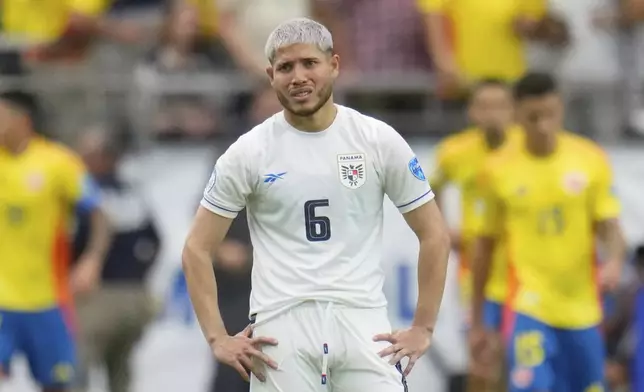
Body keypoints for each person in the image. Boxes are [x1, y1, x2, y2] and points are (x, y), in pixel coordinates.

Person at [181, 17, 451, 392]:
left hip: (362, 322)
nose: (298, 77)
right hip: (281, 329)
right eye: (285, 67)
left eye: (310, 63)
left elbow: (434, 233)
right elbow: (197, 246)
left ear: (334, 66)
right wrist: (217, 338)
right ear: (270, 75)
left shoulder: (376, 140)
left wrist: (423, 326)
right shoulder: (248, 152)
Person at [470, 72, 626, 392]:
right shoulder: (497, 169)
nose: (543, 125)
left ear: (561, 110)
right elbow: (483, 247)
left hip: (582, 307)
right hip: (529, 304)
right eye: (533, 117)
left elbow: (610, 227)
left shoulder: (590, 159)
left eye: (550, 115)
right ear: (516, 115)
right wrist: (478, 321)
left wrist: (614, 261)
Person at [0, 91, 111, 392]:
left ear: (22, 120)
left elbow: (100, 215)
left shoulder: (57, 162)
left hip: (47, 301)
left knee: (56, 385)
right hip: (1, 303)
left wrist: (92, 260)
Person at [430, 78, 521, 391]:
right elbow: (430, 188)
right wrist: (443, 229)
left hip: (522, 273)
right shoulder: (455, 151)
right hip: (477, 274)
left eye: (500, 106)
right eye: (484, 106)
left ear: (514, 110)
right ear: (472, 111)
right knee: (481, 361)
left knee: (519, 363)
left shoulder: (525, 150)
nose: (492, 114)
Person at [72, 128, 160, 392]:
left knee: (77, 369)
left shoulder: (84, 193)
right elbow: (156, 241)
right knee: (120, 371)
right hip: (135, 296)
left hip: (96, 296)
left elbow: (73, 240)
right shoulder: (132, 192)